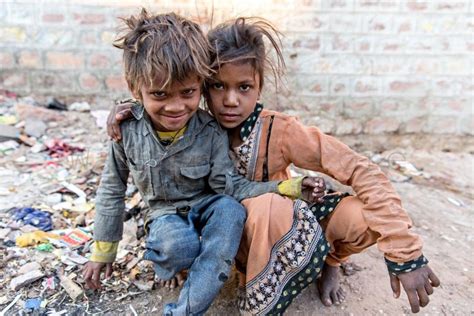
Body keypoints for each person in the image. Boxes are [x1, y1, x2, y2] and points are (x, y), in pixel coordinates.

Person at [107, 17, 440, 315]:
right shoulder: (193, 120)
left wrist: (406, 254)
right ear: (203, 85)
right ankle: (213, 270)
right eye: (218, 86)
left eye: (244, 87)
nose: (231, 100)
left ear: (259, 86)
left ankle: (331, 260)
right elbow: (160, 93)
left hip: (280, 224)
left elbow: (360, 169)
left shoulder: (282, 130)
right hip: (221, 234)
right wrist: (127, 109)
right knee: (233, 214)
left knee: (359, 217)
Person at [83, 10, 323, 316]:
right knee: (177, 248)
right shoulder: (126, 130)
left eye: (188, 93)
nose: (175, 106)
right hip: (165, 215)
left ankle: (184, 310)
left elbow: (231, 186)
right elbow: (111, 188)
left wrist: (288, 187)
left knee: (229, 210)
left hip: (206, 205)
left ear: (201, 83)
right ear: (134, 88)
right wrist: (103, 250)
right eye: (159, 94)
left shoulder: (209, 131)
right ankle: (173, 264)